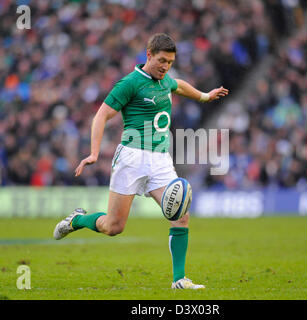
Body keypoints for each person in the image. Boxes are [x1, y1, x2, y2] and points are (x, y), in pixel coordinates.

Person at [53, 33, 229, 289]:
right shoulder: (130, 83)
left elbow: (178, 84)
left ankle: (179, 280)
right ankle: (77, 220)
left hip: (160, 160)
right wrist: (93, 153)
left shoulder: (164, 80)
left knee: (181, 215)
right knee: (114, 227)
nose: (165, 66)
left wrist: (204, 96)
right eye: (161, 61)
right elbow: (101, 116)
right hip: (132, 158)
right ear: (148, 55)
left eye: (170, 62)